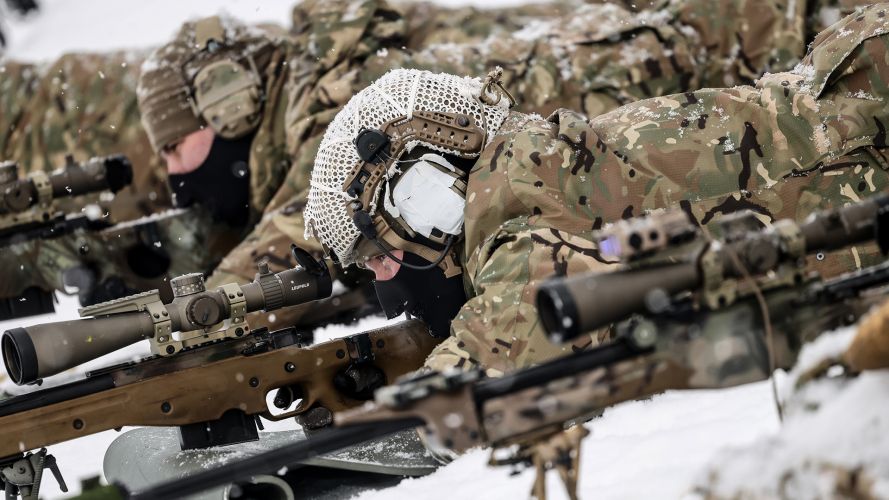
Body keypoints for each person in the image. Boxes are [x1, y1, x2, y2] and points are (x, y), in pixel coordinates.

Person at [135, 0, 875, 331]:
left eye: (175, 146)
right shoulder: (332, 92)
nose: (174, 171)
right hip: (733, 60)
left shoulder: (360, 126)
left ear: (227, 106)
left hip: (763, 31)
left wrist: (193, 319)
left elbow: (295, 233)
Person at [304, 3, 889, 375]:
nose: (386, 274)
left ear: (431, 180)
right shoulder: (534, 165)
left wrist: (396, 404)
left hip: (864, 133)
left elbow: (512, 341)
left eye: (381, 247)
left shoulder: (513, 185)